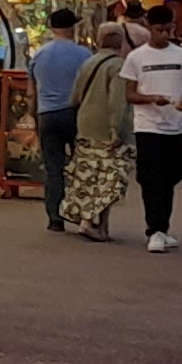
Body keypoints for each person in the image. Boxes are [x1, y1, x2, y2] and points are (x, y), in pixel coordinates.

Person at [122, 5, 182, 250]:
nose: (164, 35)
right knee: (151, 177)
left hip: (176, 125)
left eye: (168, 30)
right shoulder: (136, 57)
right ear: (149, 28)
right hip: (148, 126)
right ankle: (154, 229)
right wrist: (152, 99)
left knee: (172, 176)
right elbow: (130, 94)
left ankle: (163, 227)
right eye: (159, 30)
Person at [63, 23, 135, 241]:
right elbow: (117, 102)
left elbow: (74, 97)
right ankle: (98, 225)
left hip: (85, 125)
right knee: (109, 178)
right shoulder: (118, 66)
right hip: (105, 129)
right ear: (121, 41)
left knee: (88, 174)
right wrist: (117, 129)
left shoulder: (88, 63)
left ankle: (86, 220)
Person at [28, 5, 93, 230]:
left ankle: (55, 218)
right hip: (76, 114)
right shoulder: (84, 55)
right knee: (82, 166)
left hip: (47, 114)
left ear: (52, 28)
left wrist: (34, 118)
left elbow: (31, 92)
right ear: (72, 27)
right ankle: (82, 214)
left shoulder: (39, 55)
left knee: (53, 169)